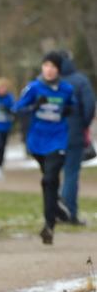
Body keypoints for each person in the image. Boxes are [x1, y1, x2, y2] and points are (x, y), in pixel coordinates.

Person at [13, 51, 75, 245]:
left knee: (49, 178)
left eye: (53, 66)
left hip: (58, 140)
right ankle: (56, 206)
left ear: (59, 70)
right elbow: (17, 109)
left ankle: (49, 224)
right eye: (46, 65)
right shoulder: (34, 87)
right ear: (42, 67)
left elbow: (73, 105)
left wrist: (69, 110)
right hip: (37, 141)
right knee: (49, 181)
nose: (49, 69)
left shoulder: (66, 89)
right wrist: (33, 107)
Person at [58, 50, 95, 225]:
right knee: (71, 174)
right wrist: (82, 125)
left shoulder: (46, 82)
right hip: (74, 134)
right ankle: (69, 213)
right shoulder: (80, 81)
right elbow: (89, 107)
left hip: (51, 135)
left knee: (52, 174)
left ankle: (55, 213)